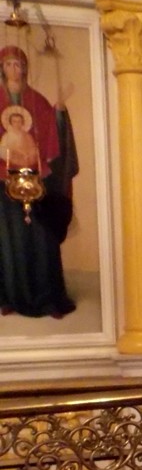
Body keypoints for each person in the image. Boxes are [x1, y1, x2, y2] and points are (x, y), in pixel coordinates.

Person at [0, 46, 78, 318]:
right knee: (10, 240)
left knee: (43, 239)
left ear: (25, 69)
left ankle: (48, 297)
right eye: (8, 64)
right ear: (2, 69)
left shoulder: (37, 101)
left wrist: (59, 111)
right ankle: (10, 297)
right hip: (4, 183)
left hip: (37, 182)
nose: (14, 70)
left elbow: (53, 136)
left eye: (18, 64)